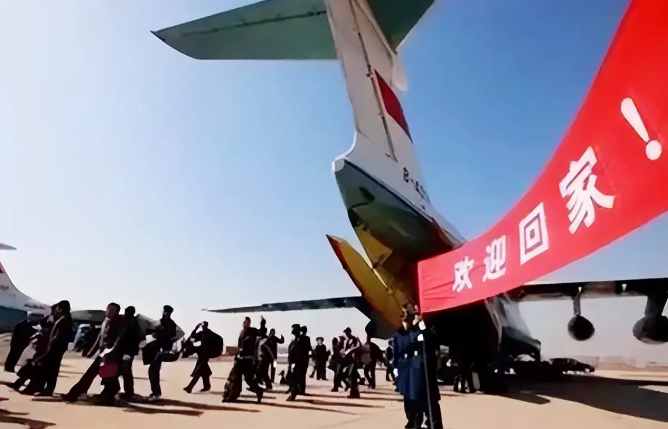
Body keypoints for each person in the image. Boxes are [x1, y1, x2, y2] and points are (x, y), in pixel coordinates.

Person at [392, 305, 443, 429]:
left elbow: (433, 343)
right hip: (407, 368)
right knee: (410, 398)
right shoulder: (399, 334)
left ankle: (432, 423)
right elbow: (397, 351)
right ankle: (414, 422)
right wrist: (395, 367)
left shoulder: (423, 329)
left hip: (422, 366)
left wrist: (425, 331)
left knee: (426, 397)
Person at [62, 302, 124, 404]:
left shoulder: (119, 323)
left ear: (117, 312)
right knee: (92, 375)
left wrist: (111, 351)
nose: (110, 312)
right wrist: (91, 351)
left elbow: (119, 339)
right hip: (102, 354)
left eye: (113, 310)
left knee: (109, 376)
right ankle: (74, 394)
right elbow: (99, 338)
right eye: (109, 309)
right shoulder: (105, 321)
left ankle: (108, 396)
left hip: (111, 355)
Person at [23, 300, 73, 397]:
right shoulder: (65, 319)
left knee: (50, 369)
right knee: (51, 369)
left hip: (56, 348)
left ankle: (46, 389)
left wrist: (51, 346)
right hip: (57, 348)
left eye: (57, 308)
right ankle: (43, 388)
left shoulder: (64, 320)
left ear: (61, 308)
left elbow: (58, 336)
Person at [222, 317, 263, 403]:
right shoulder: (242, 333)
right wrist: (235, 353)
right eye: (244, 322)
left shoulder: (253, 331)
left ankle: (259, 392)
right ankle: (231, 396)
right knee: (234, 378)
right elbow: (240, 347)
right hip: (240, 359)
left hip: (248, 360)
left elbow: (262, 332)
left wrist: (263, 323)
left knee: (249, 380)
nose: (245, 324)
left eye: (247, 323)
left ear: (249, 323)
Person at [146, 305, 178, 401]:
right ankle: (156, 392)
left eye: (167, 312)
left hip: (163, 351)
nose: (166, 314)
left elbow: (171, 336)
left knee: (153, 370)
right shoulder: (160, 323)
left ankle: (156, 392)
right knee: (153, 371)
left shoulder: (170, 324)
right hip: (157, 350)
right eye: (165, 312)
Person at [116, 306, 144, 400]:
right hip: (128, 351)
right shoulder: (134, 323)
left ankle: (127, 392)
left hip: (126, 351)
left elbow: (130, 339)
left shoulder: (129, 323)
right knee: (126, 372)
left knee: (124, 371)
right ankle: (128, 392)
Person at [183, 321, 213, 393]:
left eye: (204, 325)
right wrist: (195, 329)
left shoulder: (209, 334)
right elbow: (193, 338)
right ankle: (207, 386)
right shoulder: (201, 333)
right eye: (202, 325)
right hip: (201, 353)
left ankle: (189, 387)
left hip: (205, 354)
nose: (203, 326)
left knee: (198, 371)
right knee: (204, 371)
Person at [286, 324, 308, 401]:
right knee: (291, 378)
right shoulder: (295, 340)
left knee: (293, 378)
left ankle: (294, 393)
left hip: (297, 362)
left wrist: (295, 362)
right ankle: (294, 391)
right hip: (293, 362)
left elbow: (301, 352)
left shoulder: (300, 340)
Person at [298, 325, 312, 394]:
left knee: (299, 375)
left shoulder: (299, 338)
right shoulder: (307, 338)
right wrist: (309, 355)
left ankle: (299, 389)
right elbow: (310, 348)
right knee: (303, 375)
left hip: (299, 359)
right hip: (305, 358)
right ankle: (302, 390)